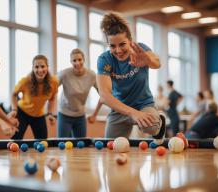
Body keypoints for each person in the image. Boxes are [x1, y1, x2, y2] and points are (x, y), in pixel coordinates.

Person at [96, 12, 166, 144]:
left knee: (151, 126)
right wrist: (132, 113)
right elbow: (104, 96)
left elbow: (157, 63)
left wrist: (147, 60)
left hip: (144, 105)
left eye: (122, 44)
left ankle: (159, 122)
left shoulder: (140, 50)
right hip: (119, 108)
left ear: (130, 41)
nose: (118, 50)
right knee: (110, 145)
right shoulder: (104, 60)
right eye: (112, 46)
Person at [9, 55, 58, 139]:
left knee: (43, 142)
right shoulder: (25, 81)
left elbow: (52, 98)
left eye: (42, 66)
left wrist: (50, 113)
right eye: (36, 67)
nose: (40, 70)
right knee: (15, 141)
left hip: (39, 115)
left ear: (47, 67)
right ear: (33, 68)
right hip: (22, 113)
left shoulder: (53, 82)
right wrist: (14, 109)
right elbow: (13, 94)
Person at [57, 48, 103, 138]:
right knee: (62, 144)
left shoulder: (92, 75)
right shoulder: (64, 74)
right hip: (64, 114)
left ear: (84, 60)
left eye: (79, 60)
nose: (77, 63)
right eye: (74, 60)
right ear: (71, 62)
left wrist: (94, 114)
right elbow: (51, 90)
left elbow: (103, 95)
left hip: (80, 116)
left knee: (81, 145)